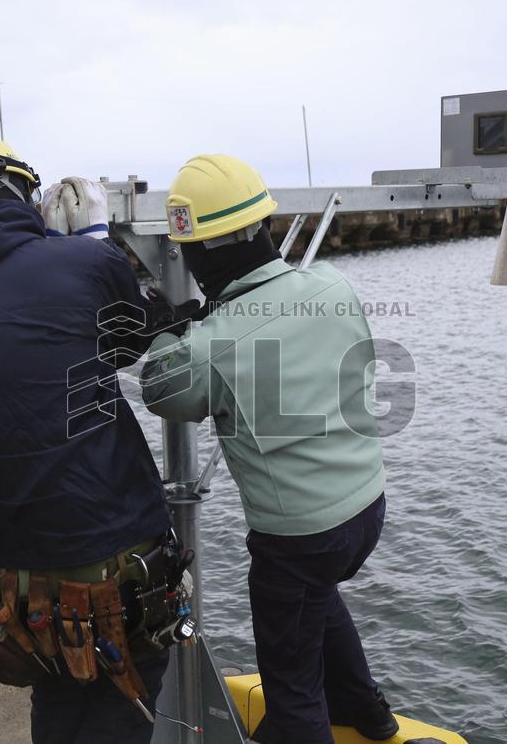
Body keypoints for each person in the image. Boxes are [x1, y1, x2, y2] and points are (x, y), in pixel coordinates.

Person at [0, 135, 176, 744]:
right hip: (111, 550)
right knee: (122, 705)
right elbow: (130, 341)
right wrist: (93, 244)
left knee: (59, 698)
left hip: (15, 568)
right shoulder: (84, 263)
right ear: (17, 190)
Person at [140, 154, 400, 744]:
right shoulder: (331, 284)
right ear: (263, 226)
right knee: (319, 598)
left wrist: (165, 329)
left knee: (292, 691)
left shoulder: (215, 342)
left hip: (298, 539)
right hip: (365, 509)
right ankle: (368, 712)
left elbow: (163, 390)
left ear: (204, 252)